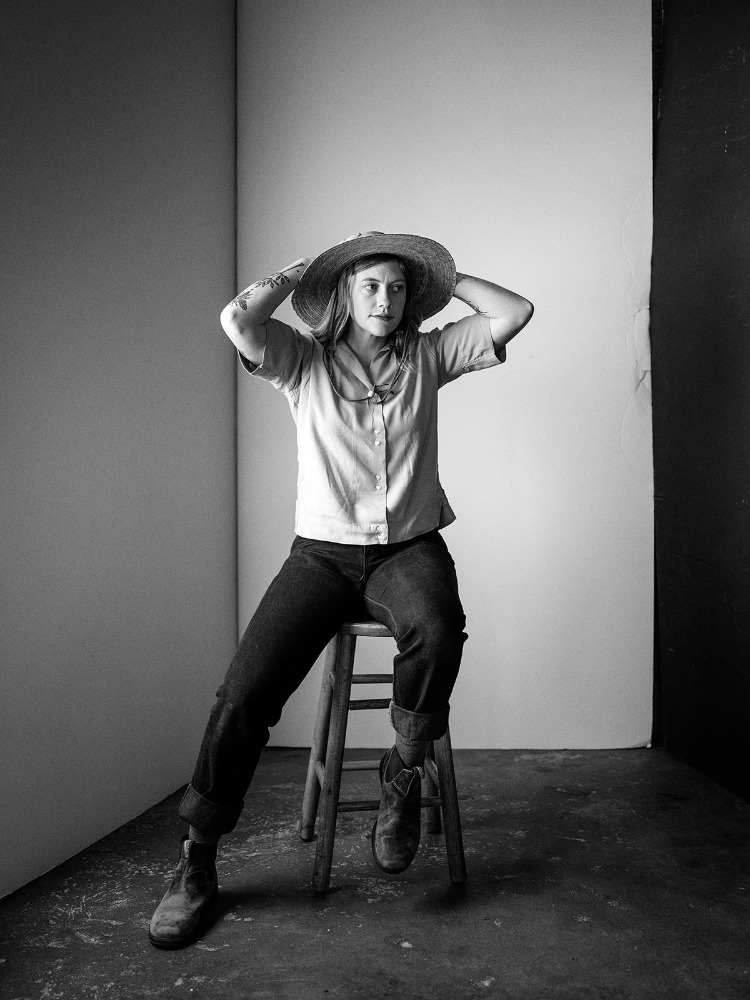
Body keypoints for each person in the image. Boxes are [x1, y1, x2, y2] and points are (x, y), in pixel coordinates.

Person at [148, 231, 533, 948]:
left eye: (398, 287)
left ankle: (402, 773)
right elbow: (238, 321)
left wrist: (441, 277)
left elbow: (515, 312)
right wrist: (304, 272)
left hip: (407, 549)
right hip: (321, 556)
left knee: (439, 628)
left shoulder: (428, 356)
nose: (385, 299)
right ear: (344, 297)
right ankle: (196, 859)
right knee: (244, 692)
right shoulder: (304, 361)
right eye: (370, 286)